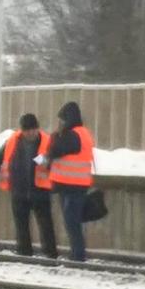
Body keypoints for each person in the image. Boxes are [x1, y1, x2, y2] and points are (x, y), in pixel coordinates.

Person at [0, 113, 57, 258]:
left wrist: (49, 163)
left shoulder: (47, 141)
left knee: (46, 226)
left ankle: (50, 254)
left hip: (40, 191)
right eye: (28, 130)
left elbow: (56, 162)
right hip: (19, 191)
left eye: (34, 129)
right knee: (21, 226)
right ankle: (24, 254)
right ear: (22, 130)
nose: (31, 133)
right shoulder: (12, 141)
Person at [37, 101, 94, 261]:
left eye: (61, 119)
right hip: (72, 185)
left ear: (68, 119)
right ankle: (76, 254)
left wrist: (53, 138)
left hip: (73, 186)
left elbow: (55, 150)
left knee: (72, 223)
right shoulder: (82, 133)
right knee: (72, 223)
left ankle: (78, 256)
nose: (59, 123)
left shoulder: (73, 135)